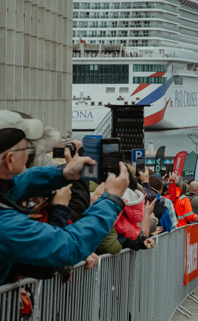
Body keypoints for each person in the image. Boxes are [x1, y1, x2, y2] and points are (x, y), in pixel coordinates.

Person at [0, 110, 130, 285]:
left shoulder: (5, 190)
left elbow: (17, 183)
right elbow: (68, 246)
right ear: (9, 160)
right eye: (28, 148)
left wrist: (63, 174)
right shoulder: (7, 225)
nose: (29, 154)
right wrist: (111, 200)